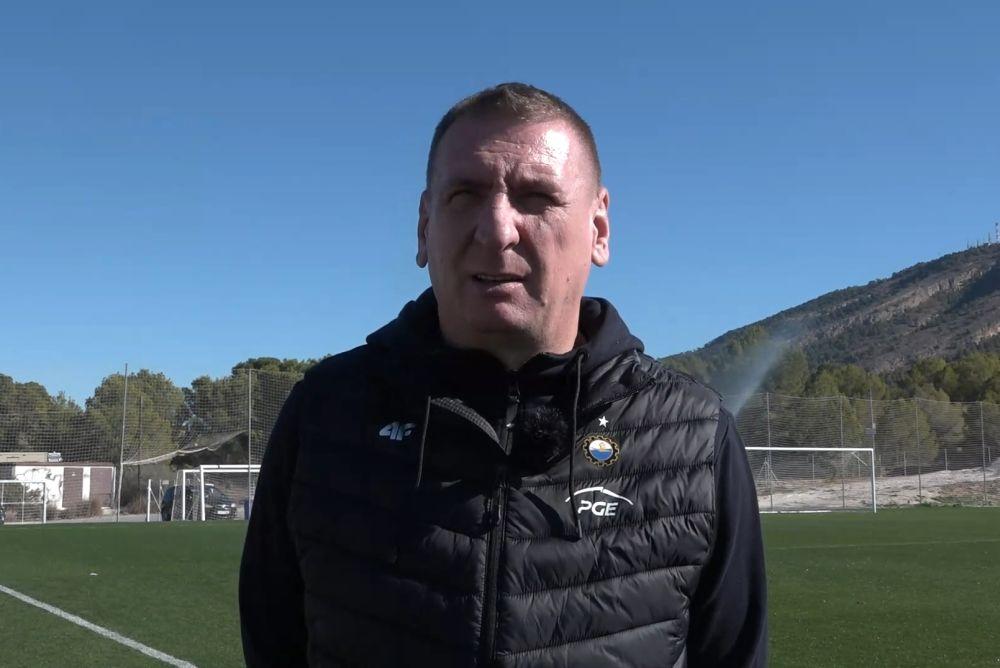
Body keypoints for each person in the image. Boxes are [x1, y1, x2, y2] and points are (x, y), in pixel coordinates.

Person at [240, 82, 767, 667]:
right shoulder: (325, 415)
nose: (497, 230)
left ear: (598, 230)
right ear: (424, 227)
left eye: (537, 197)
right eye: (464, 194)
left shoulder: (695, 436)